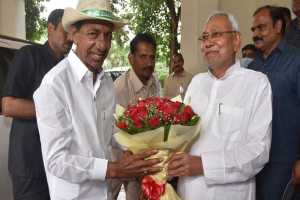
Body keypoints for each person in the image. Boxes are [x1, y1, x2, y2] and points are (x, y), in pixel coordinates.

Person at [33, 1, 161, 200]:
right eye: (93, 34)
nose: (102, 45)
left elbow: (110, 131)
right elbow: (57, 161)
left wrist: (136, 149)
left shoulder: (106, 83)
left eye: (107, 35)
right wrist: (114, 169)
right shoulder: (54, 86)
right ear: (74, 34)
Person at [167, 11, 272, 200]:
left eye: (216, 34)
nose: (208, 42)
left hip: (231, 194)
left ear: (236, 40)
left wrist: (203, 165)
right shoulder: (197, 83)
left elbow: (258, 152)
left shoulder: (257, 83)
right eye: (205, 37)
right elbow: (181, 136)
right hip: (187, 192)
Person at [1, 9, 71, 200]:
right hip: (30, 164)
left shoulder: (68, 67)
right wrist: (58, 111)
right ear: (50, 28)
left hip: (59, 164)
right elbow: (9, 105)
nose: (70, 38)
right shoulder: (29, 55)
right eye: (65, 31)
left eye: (72, 33)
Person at [248, 5, 300, 200]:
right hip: (253, 164)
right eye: (253, 30)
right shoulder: (252, 68)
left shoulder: (296, 61)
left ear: (278, 26)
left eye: (261, 28)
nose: (255, 34)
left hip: (285, 162)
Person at [113, 32, 160, 200]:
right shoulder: (119, 88)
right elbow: (115, 131)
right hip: (118, 158)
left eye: (152, 57)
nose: (149, 63)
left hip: (144, 157)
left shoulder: (155, 81)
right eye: (143, 57)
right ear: (131, 59)